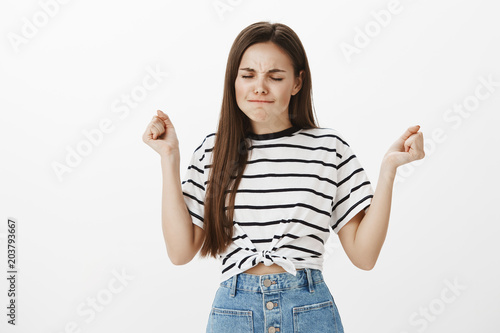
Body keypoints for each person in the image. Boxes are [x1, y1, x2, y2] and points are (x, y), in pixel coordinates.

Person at [143, 21, 424, 333]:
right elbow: (180, 253)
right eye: (247, 75)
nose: (259, 87)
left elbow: (364, 255)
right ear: (232, 81)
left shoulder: (328, 148)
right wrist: (169, 158)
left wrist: (388, 170)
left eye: (275, 77)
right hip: (234, 313)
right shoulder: (213, 149)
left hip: (308, 310)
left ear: (297, 82)